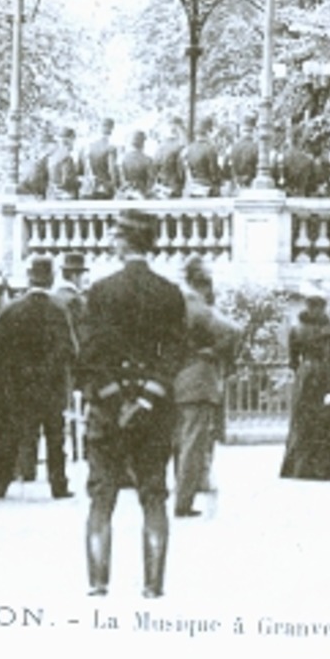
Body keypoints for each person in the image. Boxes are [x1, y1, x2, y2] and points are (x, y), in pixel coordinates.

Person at [77, 209, 191, 598]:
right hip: (154, 409)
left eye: (115, 234)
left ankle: (98, 583)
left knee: (101, 495)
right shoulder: (170, 293)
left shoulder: (102, 290)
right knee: (154, 494)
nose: (112, 240)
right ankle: (153, 585)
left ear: (126, 241)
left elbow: (90, 354)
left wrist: (114, 398)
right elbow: (176, 353)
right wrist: (144, 399)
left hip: (108, 410)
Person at [0, 255, 77, 500]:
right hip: (51, 385)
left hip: (19, 385)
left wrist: (14, 375)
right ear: (50, 278)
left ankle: (0, 482)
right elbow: (69, 349)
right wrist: (51, 371)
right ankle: (58, 485)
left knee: (13, 433)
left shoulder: (11, 309)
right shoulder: (59, 309)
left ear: (30, 277)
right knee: (55, 435)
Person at [171, 259, 243, 517]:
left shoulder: (171, 300)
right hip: (197, 378)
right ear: (201, 282)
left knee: (177, 439)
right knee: (193, 442)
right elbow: (233, 331)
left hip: (171, 375)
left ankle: (180, 491)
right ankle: (184, 500)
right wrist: (213, 351)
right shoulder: (194, 304)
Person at [280, 285, 330, 480]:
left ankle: (299, 467)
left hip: (304, 375)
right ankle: (324, 467)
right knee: (325, 417)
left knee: (302, 419)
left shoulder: (296, 328)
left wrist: (302, 372)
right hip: (323, 374)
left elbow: (293, 360)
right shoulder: (327, 329)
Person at [183, 119, 224, 197]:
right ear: (208, 132)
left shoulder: (190, 148)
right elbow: (213, 172)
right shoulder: (210, 149)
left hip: (194, 185)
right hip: (207, 186)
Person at [81, 118, 118, 199]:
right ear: (111, 129)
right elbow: (112, 170)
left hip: (88, 187)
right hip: (104, 188)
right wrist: (115, 186)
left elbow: (83, 169)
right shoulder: (110, 147)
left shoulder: (87, 146)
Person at [116, 130, 155, 198]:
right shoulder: (148, 160)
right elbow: (151, 180)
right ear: (143, 143)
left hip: (125, 194)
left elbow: (119, 178)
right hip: (143, 194)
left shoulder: (122, 159)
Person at [47, 127, 83, 200]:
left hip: (53, 195)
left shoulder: (53, 155)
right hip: (65, 197)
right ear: (69, 140)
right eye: (73, 140)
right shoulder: (66, 157)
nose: (74, 143)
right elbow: (67, 181)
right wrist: (80, 183)